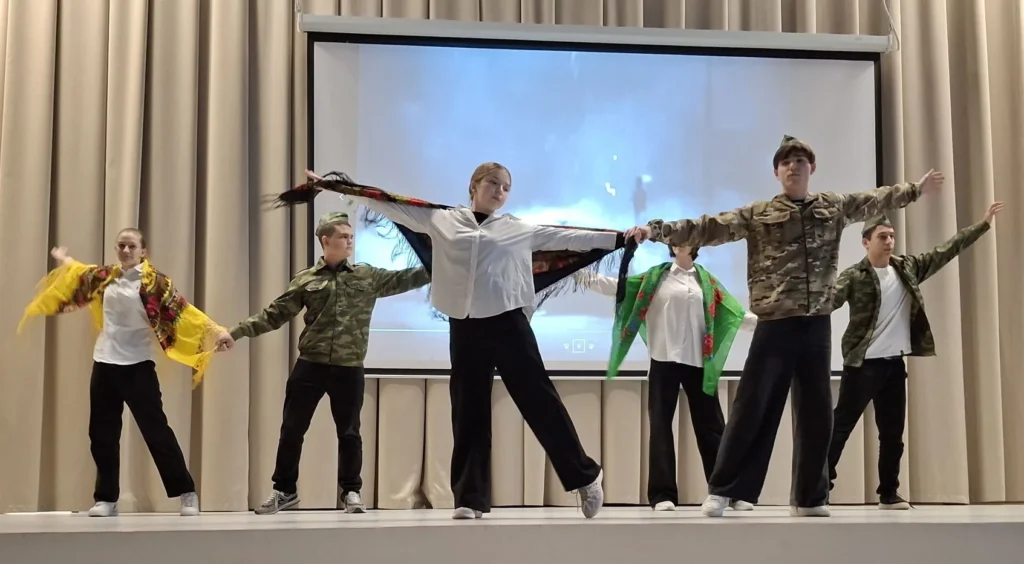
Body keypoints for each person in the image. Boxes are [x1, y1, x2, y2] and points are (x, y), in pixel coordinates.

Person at [273, 163, 629, 520]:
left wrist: (621, 238)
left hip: (508, 323)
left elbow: (571, 238)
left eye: (506, 187)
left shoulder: (517, 229)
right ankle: (470, 498)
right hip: (465, 325)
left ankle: (586, 477)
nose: (500, 191)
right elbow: (388, 203)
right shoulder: (441, 220)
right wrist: (336, 187)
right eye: (493, 183)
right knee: (468, 410)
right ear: (474, 185)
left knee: (539, 402)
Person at [627, 135, 944, 517]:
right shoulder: (759, 213)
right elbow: (707, 227)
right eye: (787, 162)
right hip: (775, 322)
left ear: (812, 168)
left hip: (816, 325)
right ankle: (724, 489)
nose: (794, 166)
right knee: (752, 407)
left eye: (801, 161)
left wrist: (915, 190)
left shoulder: (832, 207)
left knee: (816, 413)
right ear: (776, 171)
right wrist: (656, 230)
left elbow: (876, 199)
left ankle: (810, 497)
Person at [222, 212, 431, 515]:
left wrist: (440, 257)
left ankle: (352, 492)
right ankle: (284, 490)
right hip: (311, 364)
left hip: (349, 366)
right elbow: (274, 314)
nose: (350, 241)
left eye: (351, 236)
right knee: (292, 430)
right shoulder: (306, 279)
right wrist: (236, 332)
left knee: (349, 433)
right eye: (343, 236)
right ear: (326, 240)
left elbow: (410, 277)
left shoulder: (367, 276)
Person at [19, 228, 233, 517]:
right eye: (121, 245)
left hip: (138, 365)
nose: (126, 250)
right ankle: (106, 499)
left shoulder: (156, 282)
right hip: (104, 362)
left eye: (132, 246)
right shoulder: (105, 276)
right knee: (102, 434)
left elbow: (185, 310)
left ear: (143, 251)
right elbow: (81, 273)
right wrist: (65, 260)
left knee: (156, 431)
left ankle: (187, 492)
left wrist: (217, 331)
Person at [827, 202, 1003, 509]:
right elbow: (827, 303)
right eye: (882, 237)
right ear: (866, 242)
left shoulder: (906, 268)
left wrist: (983, 224)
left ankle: (888, 493)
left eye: (892, 236)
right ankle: (818, 487)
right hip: (862, 365)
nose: (889, 242)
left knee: (892, 435)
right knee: (840, 428)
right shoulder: (854, 276)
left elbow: (946, 250)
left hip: (894, 366)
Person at [575, 243, 758, 511]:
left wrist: (769, 323)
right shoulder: (655, 278)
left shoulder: (706, 281)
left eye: (684, 237)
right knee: (661, 427)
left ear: (695, 244)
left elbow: (735, 314)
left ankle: (727, 491)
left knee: (712, 428)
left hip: (698, 361)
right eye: (674, 238)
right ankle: (662, 495)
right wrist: (577, 273)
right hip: (663, 360)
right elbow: (616, 286)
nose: (678, 242)